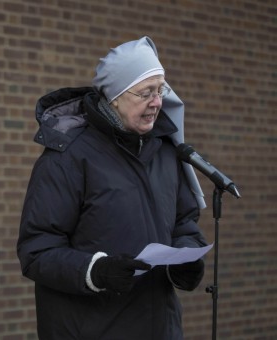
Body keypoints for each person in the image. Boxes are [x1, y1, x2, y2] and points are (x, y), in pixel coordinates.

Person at [17, 36, 208, 339]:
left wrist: (184, 261)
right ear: (115, 97)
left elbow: (184, 223)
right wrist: (96, 271)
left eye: (160, 90)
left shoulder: (166, 151)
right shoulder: (68, 156)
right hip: (89, 328)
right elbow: (37, 250)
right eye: (146, 92)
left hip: (159, 327)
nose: (157, 102)